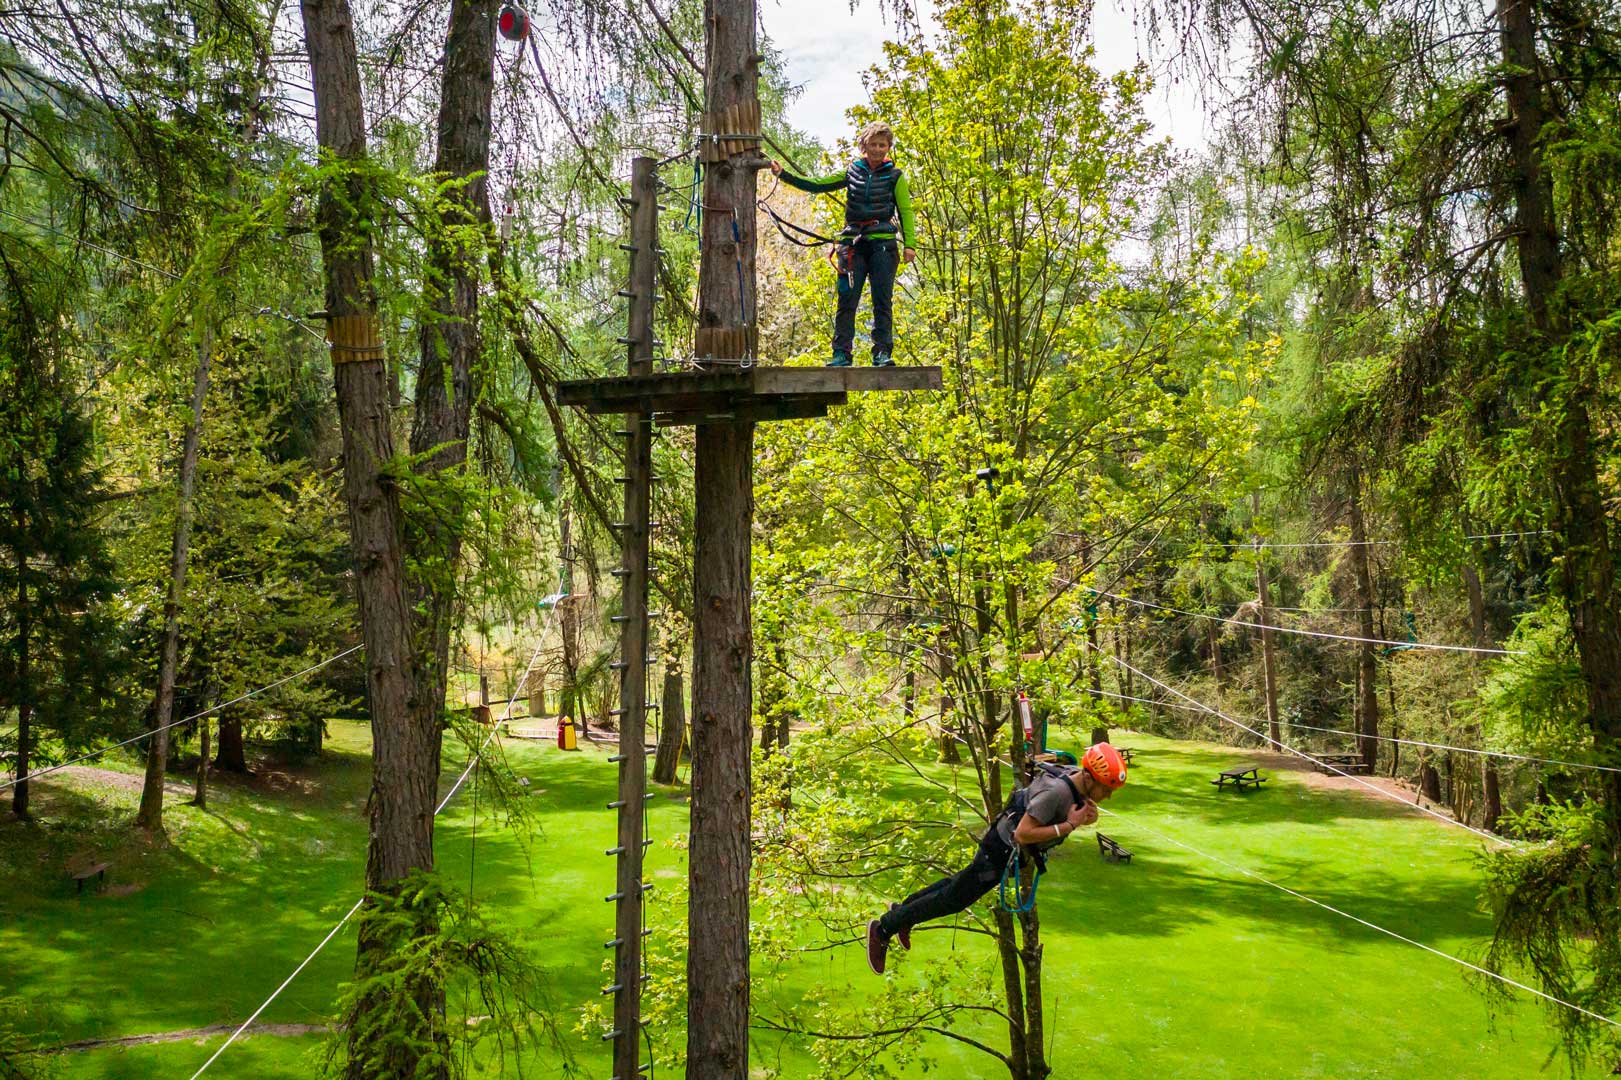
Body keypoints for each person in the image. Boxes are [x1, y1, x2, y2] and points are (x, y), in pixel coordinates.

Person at [864, 742, 1128, 975]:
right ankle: (883, 929)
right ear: (1090, 778)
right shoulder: (1057, 793)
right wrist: (1069, 826)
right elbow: (1025, 833)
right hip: (1000, 851)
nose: (1108, 796)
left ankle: (903, 912)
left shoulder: (1075, 783)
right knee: (953, 899)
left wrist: (1083, 818)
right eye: (1106, 789)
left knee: (955, 886)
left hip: (1004, 850)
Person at [768, 121, 917, 368]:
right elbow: (818, 184)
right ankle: (841, 353)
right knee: (847, 300)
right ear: (864, 147)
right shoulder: (852, 172)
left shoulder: (895, 176)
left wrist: (910, 244)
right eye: (873, 144)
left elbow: (906, 211)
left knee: (882, 300)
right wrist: (783, 175)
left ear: (888, 147)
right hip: (853, 245)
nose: (878, 149)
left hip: (883, 245)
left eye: (883, 145)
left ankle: (882, 352)